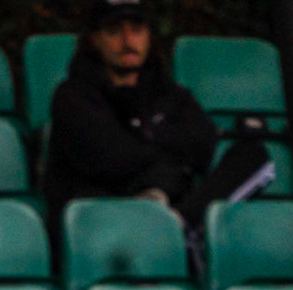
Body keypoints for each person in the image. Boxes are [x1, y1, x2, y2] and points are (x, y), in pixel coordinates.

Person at [42, 0, 273, 227]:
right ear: (95, 40)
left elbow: (202, 146)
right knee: (163, 177)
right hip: (107, 216)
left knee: (252, 156)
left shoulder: (169, 93)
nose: (127, 40)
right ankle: (179, 227)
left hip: (171, 204)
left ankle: (181, 224)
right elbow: (111, 161)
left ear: (148, 36)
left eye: (136, 30)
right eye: (114, 31)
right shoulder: (72, 96)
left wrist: (144, 141)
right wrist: (166, 147)